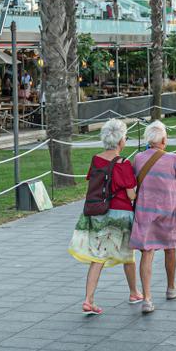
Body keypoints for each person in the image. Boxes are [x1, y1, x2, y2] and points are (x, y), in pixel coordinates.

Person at [69, 119, 142, 315]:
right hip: (121, 213)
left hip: (99, 212)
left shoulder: (96, 159)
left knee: (98, 256)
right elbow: (130, 194)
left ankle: (88, 299)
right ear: (120, 141)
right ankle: (134, 292)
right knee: (128, 255)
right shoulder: (123, 163)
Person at [130, 121, 176, 314]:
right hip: (167, 211)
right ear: (163, 139)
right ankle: (171, 287)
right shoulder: (173, 158)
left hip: (145, 212)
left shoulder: (138, 158)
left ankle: (147, 298)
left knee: (147, 253)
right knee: (170, 249)